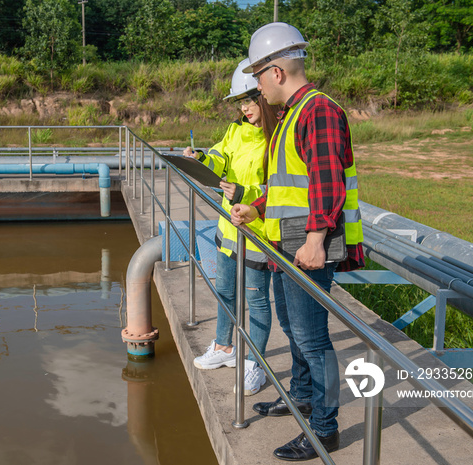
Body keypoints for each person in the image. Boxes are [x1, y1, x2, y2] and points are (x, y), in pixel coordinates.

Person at [231, 22, 364, 461]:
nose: (255, 86)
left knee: (312, 338)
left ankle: (324, 429)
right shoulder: (294, 115)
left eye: (257, 75)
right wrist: (259, 207)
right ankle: (301, 399)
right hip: (285, 243)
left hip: (305, 248)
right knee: (294, 328)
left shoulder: (317, 111)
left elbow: (326, 181)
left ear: (277, 71)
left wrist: (316, 239)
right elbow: (294, 182)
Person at [185, 58, 282, 396]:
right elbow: (219, 158)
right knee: (225, 291)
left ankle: (255, 364)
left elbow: (278, 189)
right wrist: (200, 159)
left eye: (250, 100)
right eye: (241, 102)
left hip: (256, 234)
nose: (246, 108)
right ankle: (224, 348)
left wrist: (244, 193)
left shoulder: (277, 138)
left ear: (265, 97)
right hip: (228, 229)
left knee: (257, 301)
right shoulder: (234, 130)